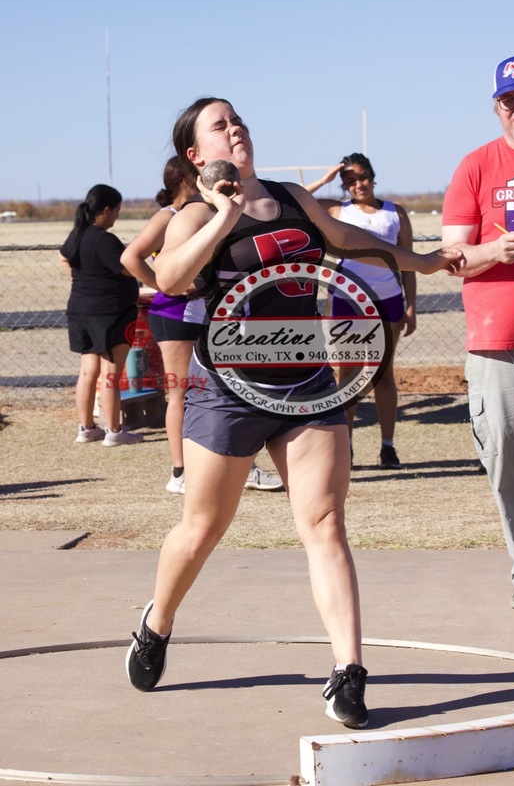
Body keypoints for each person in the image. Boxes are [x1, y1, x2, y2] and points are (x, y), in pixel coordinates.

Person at [125, 97, 464, 728]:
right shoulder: (194, 212)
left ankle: (348, 673)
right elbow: (169, 278)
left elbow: (346, 239)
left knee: (326, 522)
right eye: (220, 125)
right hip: (226, 386)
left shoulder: (289, 196)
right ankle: (157, 622)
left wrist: (426, 260)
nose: (237, 128)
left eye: (239, 119)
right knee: (203, 528)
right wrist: (223, 213)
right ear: (197, 154)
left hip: (307, 381)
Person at [121, 157, 283, 494]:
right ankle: (181, 472)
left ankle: (235, 465)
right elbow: (130, 257)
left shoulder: (213, 213)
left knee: (214, 391)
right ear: (187, 179)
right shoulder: (173, 215)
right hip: (176, 313)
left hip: (203, 314)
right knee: (181, 392)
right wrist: (164, 285)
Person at [442, 53, 514, 611]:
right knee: (509, 455)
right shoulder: (476, 166)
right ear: (497, 107)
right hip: (499, 338)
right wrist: (494, 251)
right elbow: (451, 258)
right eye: (512, 101)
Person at [306, 154, 416, 469]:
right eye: (350, 181)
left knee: (383, 375)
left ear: (373, 176)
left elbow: (409, 265)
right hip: (347, 304)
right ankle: (346, 447)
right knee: (349, 376)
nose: (358, 185)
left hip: (388, 302)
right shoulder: (339, 210)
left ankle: (388, 447)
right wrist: (326, 179)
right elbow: (299, 199)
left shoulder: (396, 213)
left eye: (363, 177)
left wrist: (411, 307)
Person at [59, 184, 143, 446]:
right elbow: (127, 267)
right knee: (111, 374)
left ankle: (86, 428)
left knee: (87, 372)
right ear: (106, 210)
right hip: (109, 313)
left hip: (80, 310)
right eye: (116, 211)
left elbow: (63, 257)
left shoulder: (78, 234)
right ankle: (115, 431)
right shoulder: (104, 239)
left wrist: (83, 280)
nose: (117, 216)